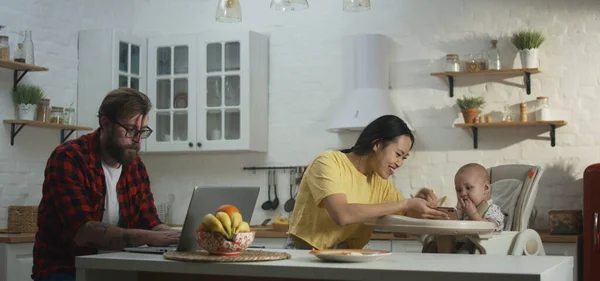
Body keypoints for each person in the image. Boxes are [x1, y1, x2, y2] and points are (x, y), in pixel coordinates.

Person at [32, 88, 180, 281]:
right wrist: (150, 238)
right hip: (65, 268)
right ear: (105, 123)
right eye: (130, 130)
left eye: (142, 132)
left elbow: (150, 223)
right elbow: (83, 232)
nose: (137, 140)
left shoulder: (135, 166)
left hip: (115, 266)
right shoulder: (69, 158)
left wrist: (179, 236)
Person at [286, 115, 449, 250]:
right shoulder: (328, 162)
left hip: (346, 254)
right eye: (398, 154)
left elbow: (404, 221)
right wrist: (406, 204)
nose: (400, 163)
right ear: (377, 144)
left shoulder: (380, 181)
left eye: (403, 158)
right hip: (305, 253)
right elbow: (342, 215)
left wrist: (421, 204)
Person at [454, 163, 505, 231]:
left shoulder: (493, 210)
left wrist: (473, 214)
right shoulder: (465, 211)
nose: (463, 193)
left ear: (486, 188)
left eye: (468, 188)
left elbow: (490, 229)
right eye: (459, 190)